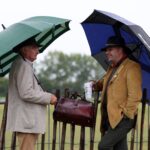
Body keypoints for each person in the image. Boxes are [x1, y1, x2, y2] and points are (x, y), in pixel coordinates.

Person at [6, 38, 57, 150]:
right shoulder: (23, 65)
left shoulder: (24, 64)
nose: (38, 51)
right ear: (24, 49)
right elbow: (26, 93)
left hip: (28, 121)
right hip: (27, 122)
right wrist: (49, 97)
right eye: (34, 47)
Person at [93, 36, 142, 150]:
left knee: (104, 146)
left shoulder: (132, 67)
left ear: (120, 50)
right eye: (106, 50)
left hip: (122, 118)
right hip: (111, 117)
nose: (107, 52)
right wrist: (96, 85)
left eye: (110, 49)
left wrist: (126, 114)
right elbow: (106, 83)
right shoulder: (112, 68)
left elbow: (135, 95)